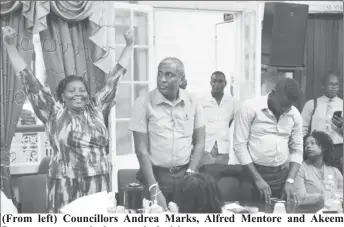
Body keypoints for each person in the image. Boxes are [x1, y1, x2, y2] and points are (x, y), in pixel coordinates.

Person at [2, 26, 134, 212]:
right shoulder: (53, 111)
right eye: (71, 91)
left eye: (82, 90)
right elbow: (29, 80)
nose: (78, 94)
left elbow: (115, 78)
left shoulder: (96, 107)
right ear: (62, 96)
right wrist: (10, 46)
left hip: (99, 182)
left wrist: (129, 46)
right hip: (64, 184)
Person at [129, 57, 205, 210]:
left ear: (181, 78)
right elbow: (141, 150)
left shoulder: (193, 101)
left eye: (169, 75)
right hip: (155, 175)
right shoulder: (143, 103)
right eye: (160, 74)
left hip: (185, 175)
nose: (162, 80)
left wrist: (191, 172)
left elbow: (200, 142)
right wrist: (153, 188)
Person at [233, 78, 303, 202]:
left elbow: (297, 150)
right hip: (252, 175)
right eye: (282, 104)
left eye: (289, 106)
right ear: (273, 93)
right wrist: (257, 179)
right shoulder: (250, 107)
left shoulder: (294, 114)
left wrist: (290, 180)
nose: (284, 110)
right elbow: (239, 146)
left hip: (281, 176)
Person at [301, 73, 343, 173]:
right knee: (315, 174)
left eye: (336, 84)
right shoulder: (312, 104)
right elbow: (302, 128)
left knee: (335, 176)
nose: (334, 87)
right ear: (323, 86)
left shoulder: (342, 104)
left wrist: (341, 126)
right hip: (316, 147)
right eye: (331, 84)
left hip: (337, 148)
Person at [294, 131, 343, 205]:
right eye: (305, 144)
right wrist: (324, 196)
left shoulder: (334, 171)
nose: (308, 146)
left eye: (312, 143)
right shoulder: (300, 169)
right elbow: (300, 198)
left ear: (324, 147)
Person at [199, 71, 236, 166]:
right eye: (214, 81)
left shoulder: (231, 102)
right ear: (210, 83)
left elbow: (230, 121)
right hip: (206, 148)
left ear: (225, 83)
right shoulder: (202, 101)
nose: (217, 84)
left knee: (221, 177)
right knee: (206, 177)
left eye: (220, 81)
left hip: (223, 148)